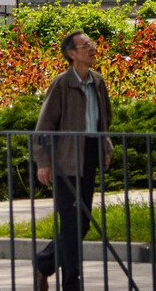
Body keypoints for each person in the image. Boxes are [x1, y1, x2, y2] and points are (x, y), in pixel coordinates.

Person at [32, 31, 113, 291]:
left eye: (92, 43)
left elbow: (105, 118)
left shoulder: (97, 81)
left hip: (89, 155)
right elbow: (44, 125)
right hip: (65, 159)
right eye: (86, 45)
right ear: (72, 54)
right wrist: (43, 162)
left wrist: (106, 147)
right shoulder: (62, 84)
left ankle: (44, 263)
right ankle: (71, 283)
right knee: (69, 223)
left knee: (82, 223)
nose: (92, 48)